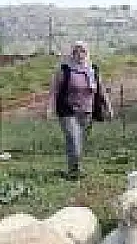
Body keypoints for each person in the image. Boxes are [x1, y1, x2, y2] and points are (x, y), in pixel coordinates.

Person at [46, 41, 107, 180]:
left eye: (82, 51)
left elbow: (101, 90)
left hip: (87, 111)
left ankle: (74, 168)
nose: (79, 54)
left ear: (87, 53)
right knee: (73, 138)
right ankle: (74, 170)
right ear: (72, 53)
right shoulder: (65, 69)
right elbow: (54, 90)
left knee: (79, 141)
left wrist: (107, 107)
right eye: (76, 51)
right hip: (67, 110)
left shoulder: (93, 69)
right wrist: (50, 108)